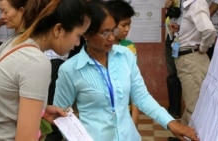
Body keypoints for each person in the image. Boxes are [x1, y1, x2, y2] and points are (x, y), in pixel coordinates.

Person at [53, 1, 199, 141]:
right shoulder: (70, 69)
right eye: (104, 33)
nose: (111, 37)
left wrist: (171, 123)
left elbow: (142, 97)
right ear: (86, 33)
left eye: (112, 30)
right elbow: (60, 116)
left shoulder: (125, 55)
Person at [0, 0, 91, 140]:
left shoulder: (16, 41)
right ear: (58, 29)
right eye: (78, 35)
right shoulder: (36, 62)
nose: (78, 43)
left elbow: (7, 99)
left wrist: (40, 110)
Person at [173, 0, 216, 125]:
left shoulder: (197, 4)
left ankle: (191, 136)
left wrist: (203, 47)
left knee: (194, 105)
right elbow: (195, 28)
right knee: (191, 100)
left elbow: (209, 30)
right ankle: (185, 134)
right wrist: (181, 29)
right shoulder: (190, 5)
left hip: (191, 59)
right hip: (187, 58)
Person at [105, 0, 139, 127]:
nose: (127, 29)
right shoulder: (96, 48)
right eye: (123, 25)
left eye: (129, 25)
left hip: (125, 109)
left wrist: (135, 116)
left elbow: (135, 82)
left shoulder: (129, 47)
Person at [164, 0, 182, 119]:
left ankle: (177, 109)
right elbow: (170, 17)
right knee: (172, 74)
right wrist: (168, 7)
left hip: (182, 39)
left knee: (178, 73)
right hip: (172, 39)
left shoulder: (194, 4)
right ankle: (173, 108)